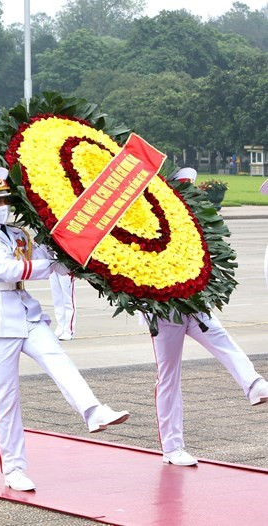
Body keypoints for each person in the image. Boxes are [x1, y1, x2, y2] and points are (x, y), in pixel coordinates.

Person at [0, 168, 129, 492]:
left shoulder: (19, 234)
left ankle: (93, 411)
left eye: (6, 199)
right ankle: (13, 469)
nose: (3, 205)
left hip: (27, 312)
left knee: (59, 359)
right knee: (8, 397)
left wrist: (73, 250)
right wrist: (50, 264)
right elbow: (8, 268)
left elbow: (47, 256)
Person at [146, 167, 268, 467]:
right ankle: (172, 447)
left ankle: (253, 384)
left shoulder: (193, 222)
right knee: (168, 377)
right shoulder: (151, 224)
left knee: (222, 338)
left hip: (195, 304)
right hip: (165, 311)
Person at [50, 273, 76, 340]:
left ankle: (68, 330)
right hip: (53, 267)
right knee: (57, 300)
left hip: (65, 268)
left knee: (68, 300)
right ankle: (60, 327)